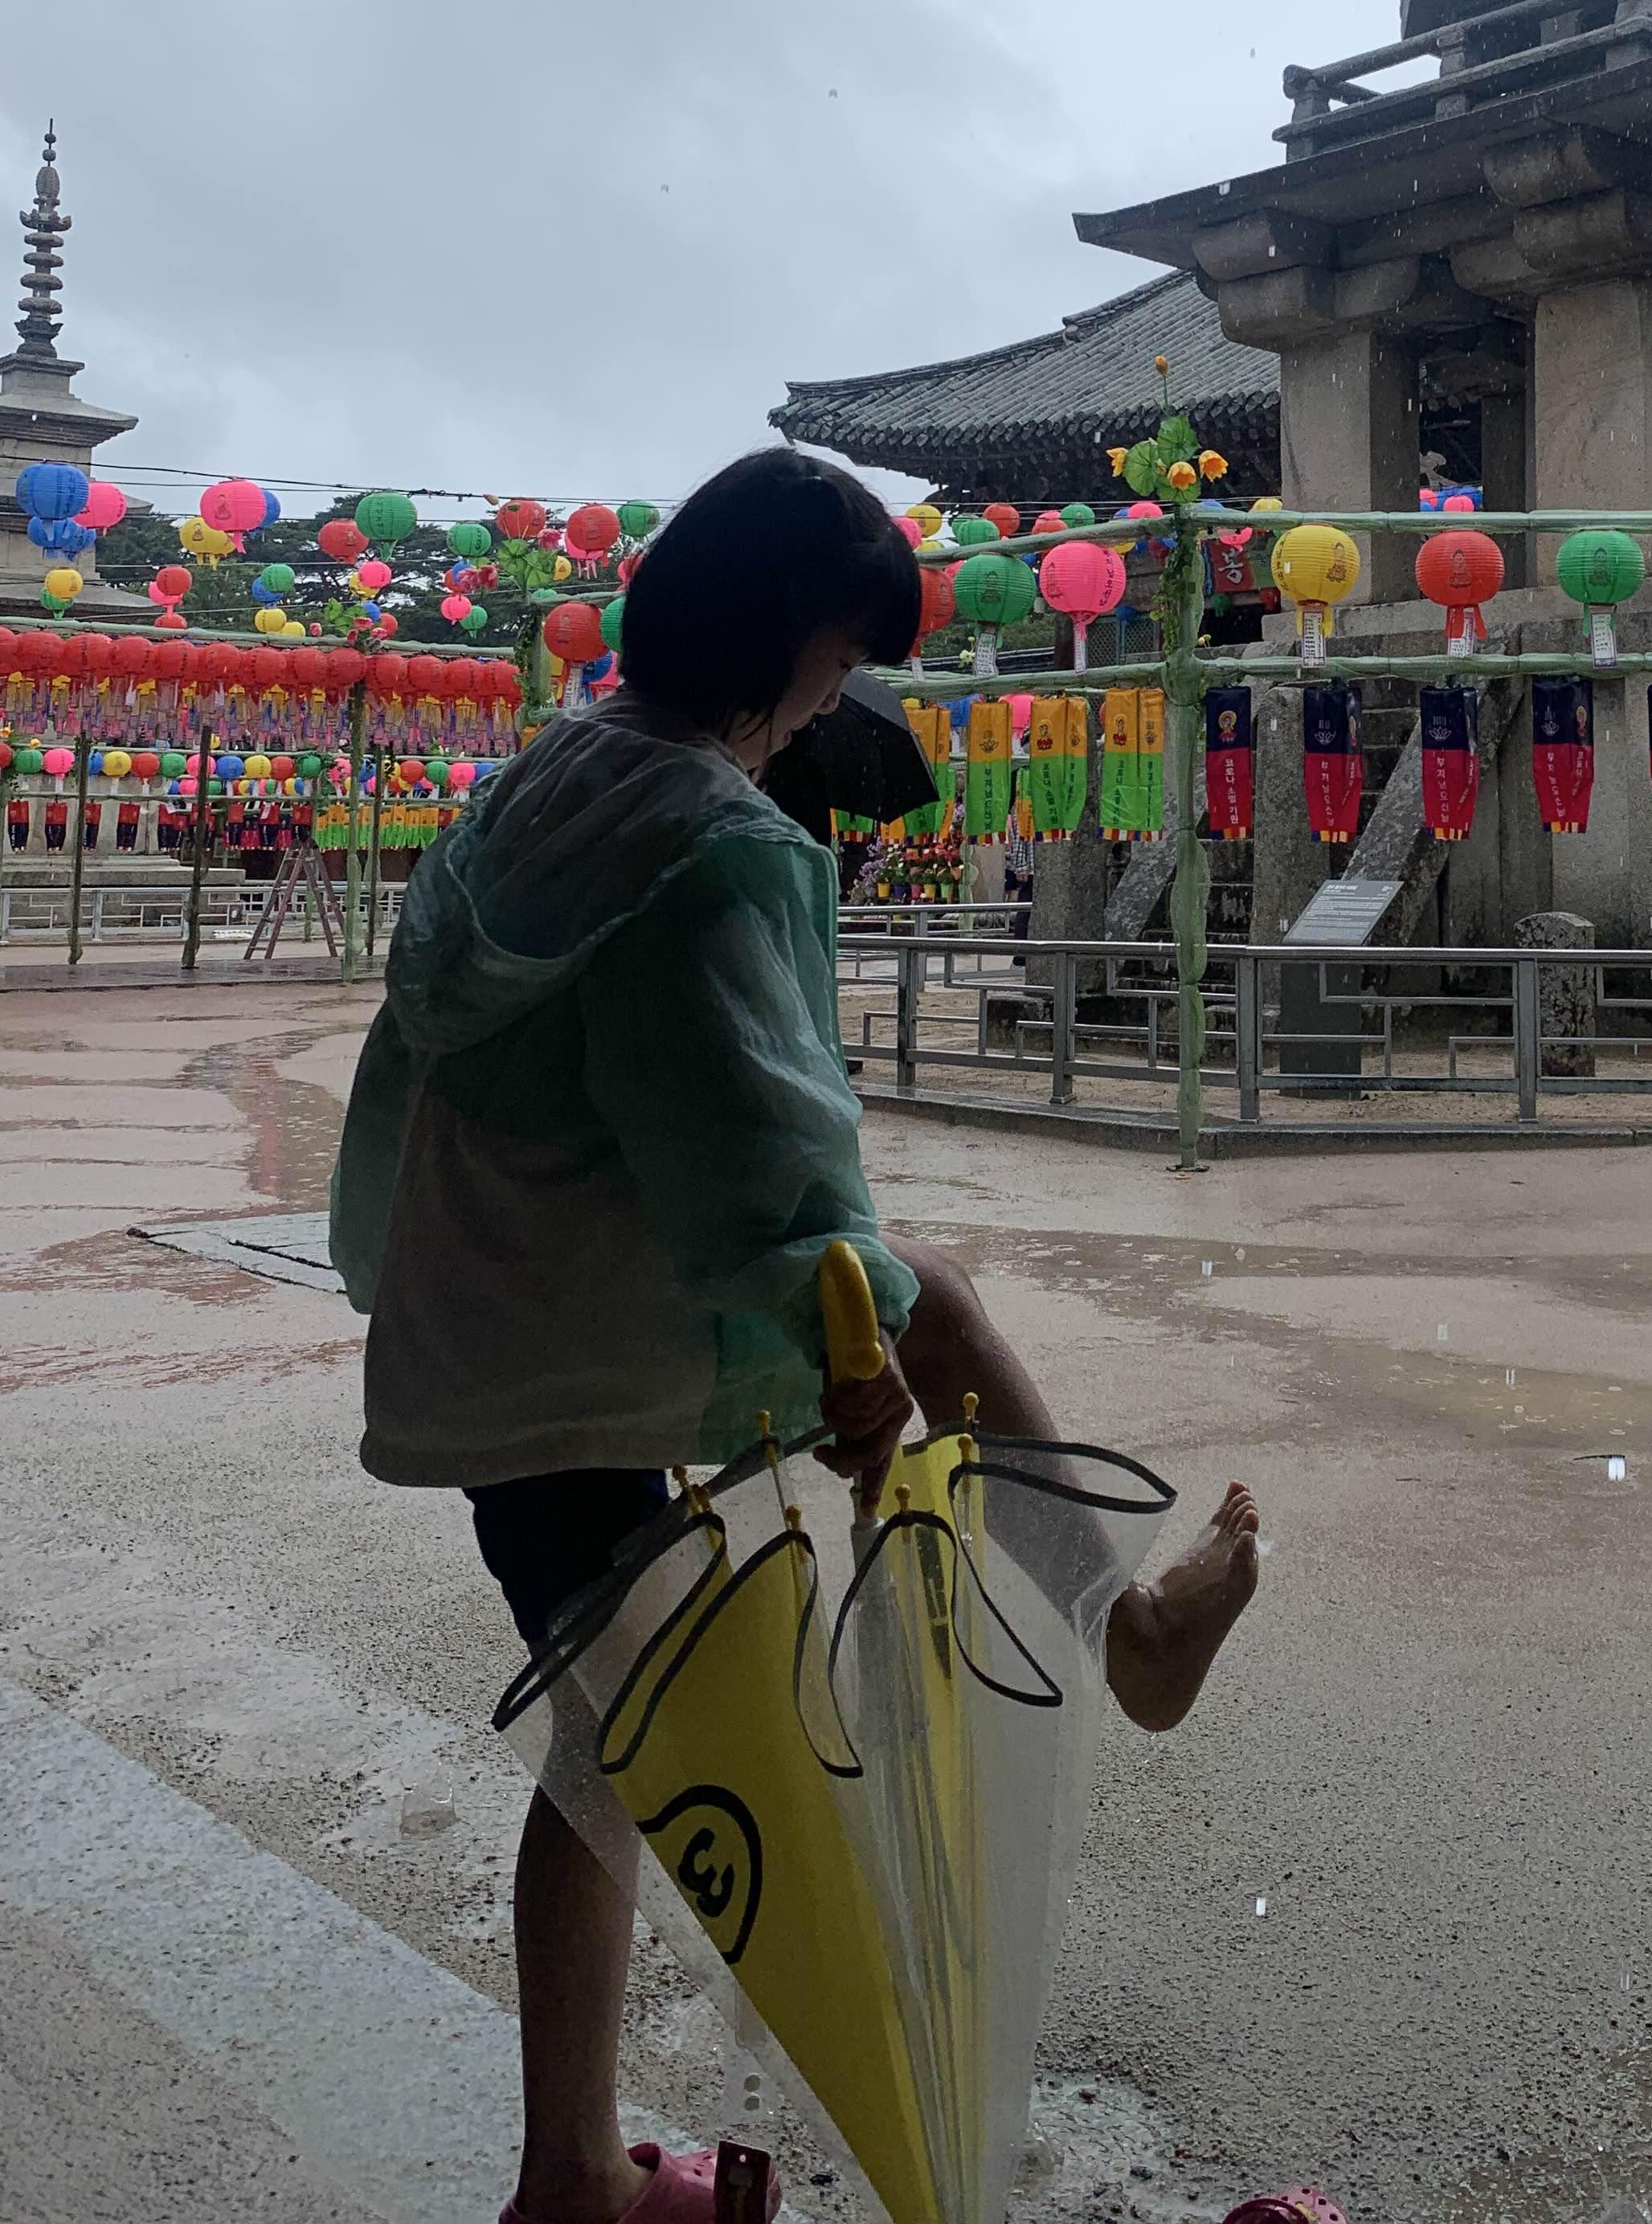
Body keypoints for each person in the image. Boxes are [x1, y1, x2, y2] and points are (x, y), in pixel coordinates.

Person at [329, 448, 1259, 2224]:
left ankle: (569, 2172)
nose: (831, 705)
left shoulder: (546, 778)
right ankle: (1129, 1633)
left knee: (608, 1747)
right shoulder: (707, 839)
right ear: (774, 643)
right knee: (924, 1325)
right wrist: (847, 1360)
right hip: (581, 1349)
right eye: (834, 667)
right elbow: (754, 1139)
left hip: (491, 1315)